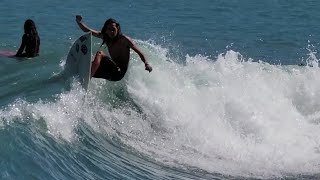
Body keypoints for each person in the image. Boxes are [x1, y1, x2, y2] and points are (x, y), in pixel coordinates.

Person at [75, 15, 152, 81]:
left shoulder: (124, 40)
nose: (111, 32)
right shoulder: (106, 37)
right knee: (91, 65)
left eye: (113, 29)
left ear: (117, 28)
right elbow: (87, 30)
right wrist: (79, 22)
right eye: (109, 29)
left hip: (119, 73)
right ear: (106, 30)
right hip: (110, 72)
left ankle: (88, 77)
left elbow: (139, 52)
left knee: (100, 54)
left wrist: (146, 64)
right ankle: (79, 77)